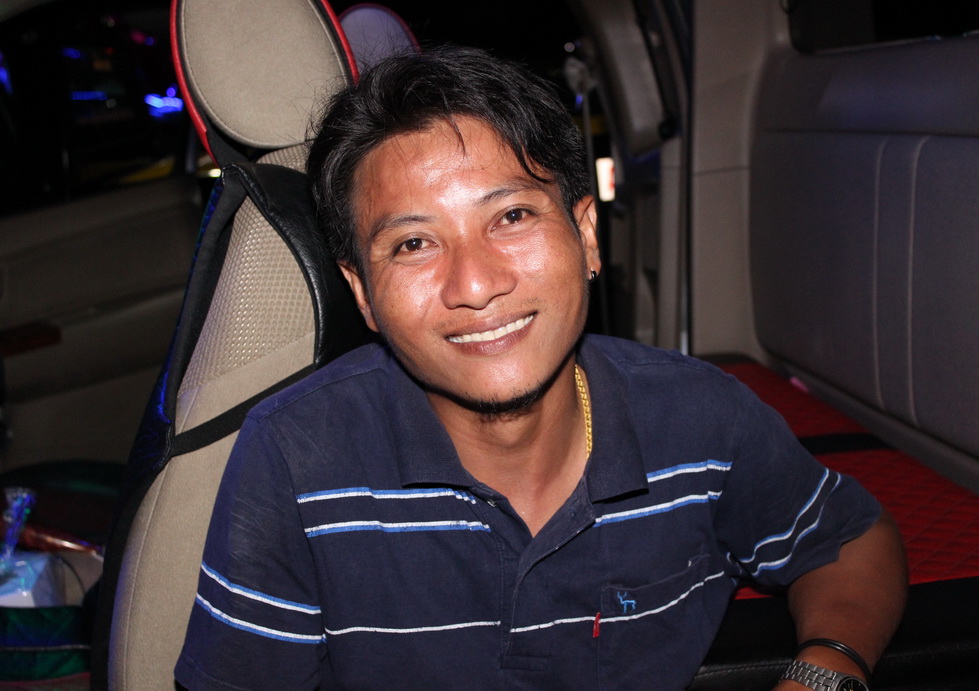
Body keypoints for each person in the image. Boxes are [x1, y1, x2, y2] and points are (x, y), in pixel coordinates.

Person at [175, 46, 906, 690]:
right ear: (363, 294)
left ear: (586, 236)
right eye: (413, 244)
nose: (475, 284)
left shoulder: (700, 420)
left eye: (512, 217)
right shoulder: (296, 457)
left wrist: (826, 671)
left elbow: (847, 541)